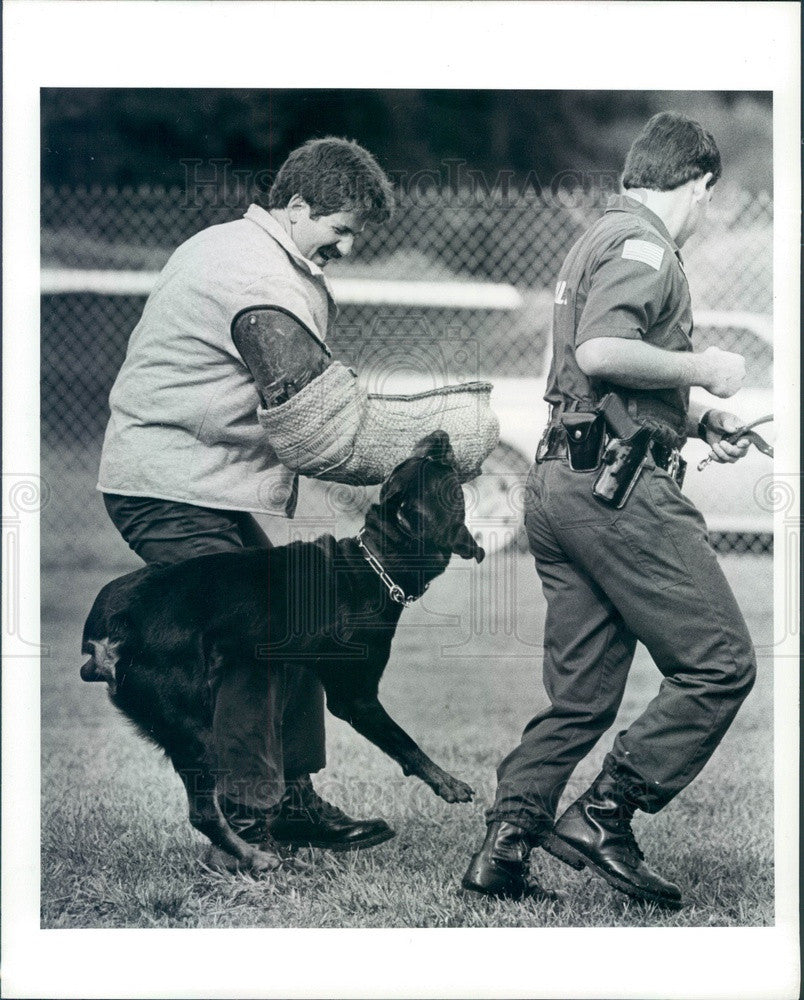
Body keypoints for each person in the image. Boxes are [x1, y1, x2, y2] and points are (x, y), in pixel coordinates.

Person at [461, 112, 757, 907]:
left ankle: (505, 848)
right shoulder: (649, 247)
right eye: (708, 197)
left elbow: (590, 372)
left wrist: (696, 419)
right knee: (721, 663)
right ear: (697, 184)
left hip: (563, 480)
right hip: (618, 489)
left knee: (583, 696)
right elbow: (600, 351)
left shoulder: (597, 237)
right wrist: (710, 370)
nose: (706, 213)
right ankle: (605, 813)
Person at [98, 137, 398, 857]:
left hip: (196, 480)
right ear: (298, 206)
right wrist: (401, 460)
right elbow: (311, 420)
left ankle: (289, 800)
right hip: (164, 485)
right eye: (342, 228)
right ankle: (243, 820)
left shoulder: (241, 248)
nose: (350, 247)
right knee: (254, 637)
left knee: (293, 613)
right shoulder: (256, 275)